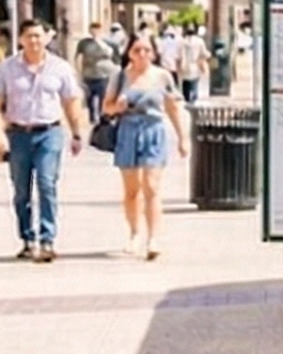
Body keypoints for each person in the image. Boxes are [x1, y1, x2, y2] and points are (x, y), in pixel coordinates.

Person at [0, 19, 86, 261]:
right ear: (21, 39)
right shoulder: (7, 68)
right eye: (28, 36)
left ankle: (47, 240)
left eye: (38, 36)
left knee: (47, 184)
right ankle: (27, 238)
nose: (34, 41)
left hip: (49, 133)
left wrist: (76, 133)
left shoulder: (60, 68)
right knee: (21, 191)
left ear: (46, 38)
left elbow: (70, 101)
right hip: (18, 134)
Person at [104, 32, 189, 260]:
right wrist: (118, 106)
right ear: (128, 52)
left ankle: (153, 238)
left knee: (151, 187)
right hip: (128, 131)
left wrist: (183, 138)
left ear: (154, 52)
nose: (142, 55)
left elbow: (172, 107)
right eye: (137, 50)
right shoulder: (120, 77)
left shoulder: (163, 77)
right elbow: (106, 108)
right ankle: (134, 233)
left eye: (146, 50)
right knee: (132, 190)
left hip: (153, 130)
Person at [74, 22, 118, 125]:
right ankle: (92, 116)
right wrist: (78, 71)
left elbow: (110, 54)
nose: (94, 31)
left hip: (103, 74)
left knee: (102, 96)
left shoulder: (107, 42)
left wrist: (99, 41)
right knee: (89, 97)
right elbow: (78, 56)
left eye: (97, 29)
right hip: (88, 74)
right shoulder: (84, 43)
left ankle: (101, 116)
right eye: (92, 29)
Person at [175, 22, 210, 106]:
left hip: (184, 65)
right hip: (195, 65)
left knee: (185, 84)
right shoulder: (199, 41)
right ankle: (193, 101)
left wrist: (178, 67)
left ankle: (187, 101)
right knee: (194, 83)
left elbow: (178, 56)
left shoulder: (182, 41)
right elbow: (204, 53)